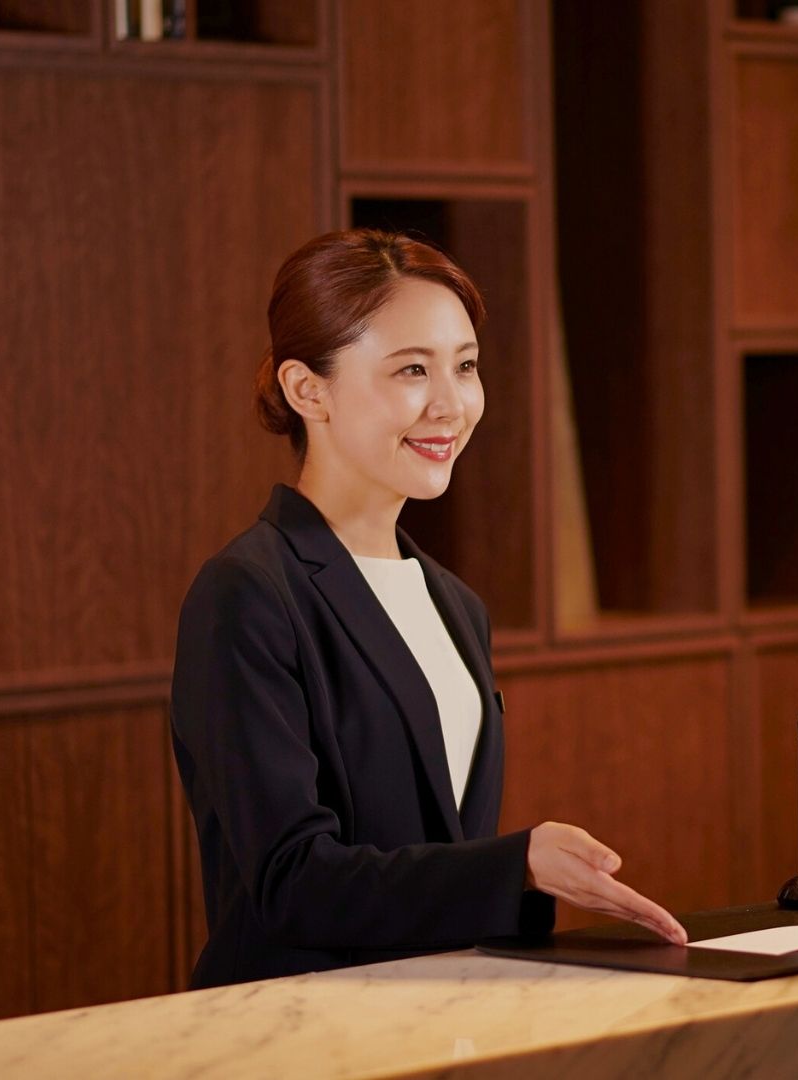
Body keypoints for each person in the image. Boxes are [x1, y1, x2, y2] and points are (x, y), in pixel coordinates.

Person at [171, 229, 686, 990]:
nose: (452, 404)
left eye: (466, 366)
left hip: (433, 1017)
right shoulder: (247, 594)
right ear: (308, 390)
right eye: (413, 369)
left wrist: (521, 879)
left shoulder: (454, 604)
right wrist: (515, 865)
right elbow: (291, 882)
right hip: (295, 1028)